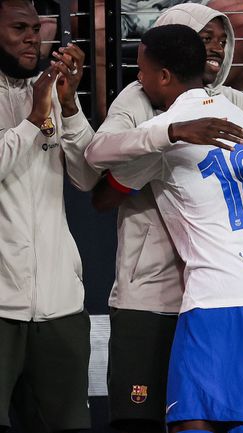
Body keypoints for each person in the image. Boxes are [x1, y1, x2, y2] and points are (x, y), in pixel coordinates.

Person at [84, 4, 243, 431]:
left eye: (222, 38)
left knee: (191, 421)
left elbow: (97, 164)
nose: (216, 47)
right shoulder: (238, 119)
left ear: (162, 73)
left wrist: (168, 136)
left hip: (214, 290)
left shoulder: (187, 117)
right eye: (206, 39)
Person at [0, 1, 99, 431]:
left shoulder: (48, 92)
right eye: (19, 27)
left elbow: (87, 176)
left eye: (37, 29)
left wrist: (69, 104)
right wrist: (34, 120)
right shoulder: (37, 104)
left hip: (60, 306)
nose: (32, 38)